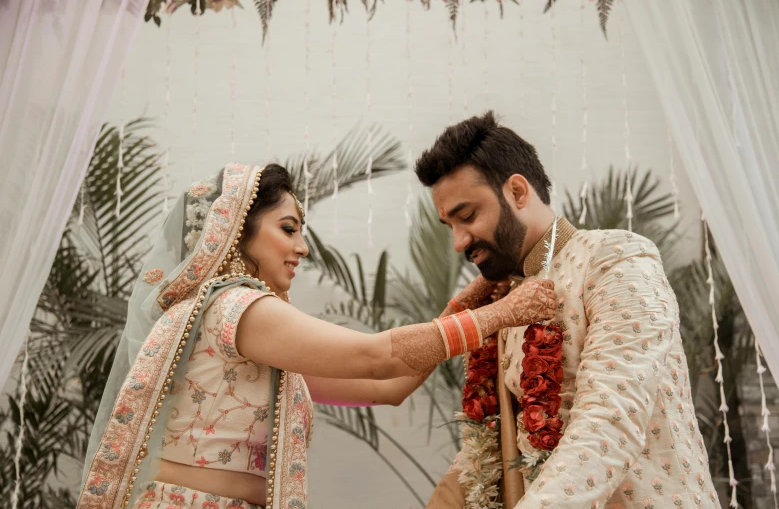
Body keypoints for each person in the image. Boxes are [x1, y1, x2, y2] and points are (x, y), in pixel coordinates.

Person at [77, 162, 557, 509]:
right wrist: (500, 315)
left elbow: (385, 388)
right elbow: (377, 357)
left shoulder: (247, 332)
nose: (302, 248)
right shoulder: (236, 307)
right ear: (237, 233)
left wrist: (460, 306)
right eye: (288, 229)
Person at [416, 112, 719, 508]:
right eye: (449, 226)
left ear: (518, 192)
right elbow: (496, 447)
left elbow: (610, 420)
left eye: (468, 216)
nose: (458, 242)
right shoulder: (509, 298)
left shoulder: (617, 259)